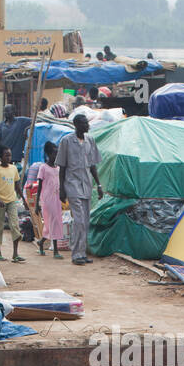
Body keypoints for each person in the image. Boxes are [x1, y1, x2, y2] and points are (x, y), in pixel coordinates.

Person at [56, 113, 103, 266]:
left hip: (87, 185)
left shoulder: (90, 141)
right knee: (79, 221)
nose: (87, 126)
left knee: (86, 222)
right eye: (84, 123)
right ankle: (76, 254)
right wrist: (62, 189)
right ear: (77, 125)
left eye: (87, 123)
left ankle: (82, 253)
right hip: (72, 185)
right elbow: (62, 168)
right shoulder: (66, 141)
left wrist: (99, 185)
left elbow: (93, 166)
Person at [0, 146, 24, 262]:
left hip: (12, 201)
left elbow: (17, 185)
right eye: (6, 155)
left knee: (15, 225)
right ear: (0, 157)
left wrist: (23, 198)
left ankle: (15, 254)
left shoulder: (14, 168)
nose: (9, 157)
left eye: (10, 155)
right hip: (0, 202)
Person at [34, 140, 64, 258]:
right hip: (47, 199)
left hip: (57, 198)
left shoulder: (58, 168)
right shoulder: (43, 168)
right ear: (48, 154)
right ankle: (55, 250)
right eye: (54, 154)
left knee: (54, 222)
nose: (55, 156)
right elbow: (39, 186)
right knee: (54, 222)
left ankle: (41, 242)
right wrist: (37, 204)